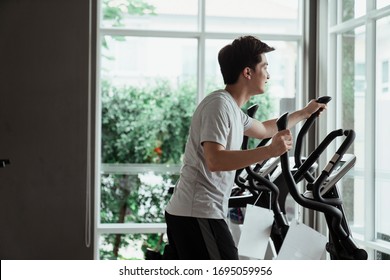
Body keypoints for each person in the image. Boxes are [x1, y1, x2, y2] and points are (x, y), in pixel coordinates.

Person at [164, 35, 326, 260]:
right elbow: (215, 160)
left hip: (200, 211)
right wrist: (270, 151)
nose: (268, 75)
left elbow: (266, 129)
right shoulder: (218, 106)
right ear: (247, 72)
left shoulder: (231, 108)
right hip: (198, 212)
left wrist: (305, 113)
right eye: (265, 67)